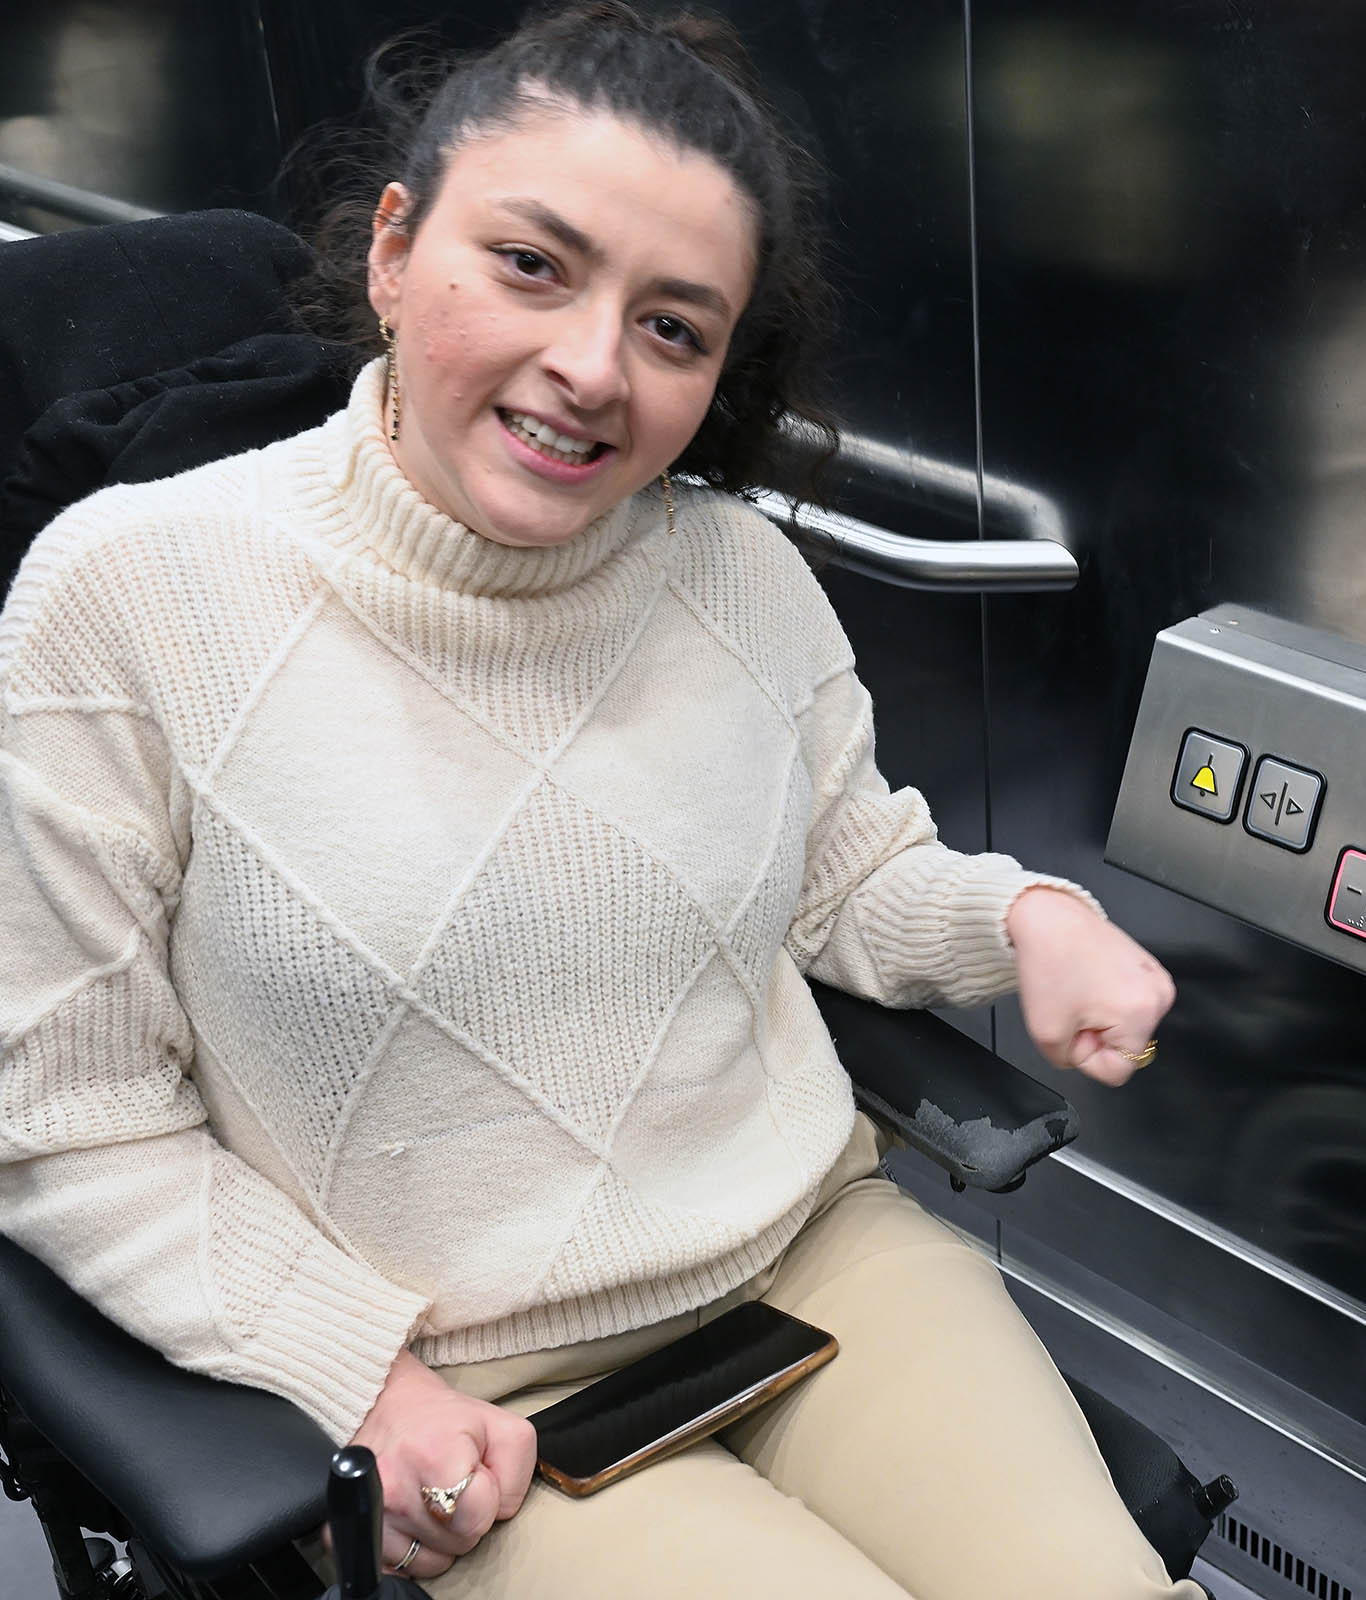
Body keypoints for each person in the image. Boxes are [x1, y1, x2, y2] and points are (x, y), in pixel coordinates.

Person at [0, 6, 1201, 1596]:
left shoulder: (737, 572)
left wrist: (1029, 918)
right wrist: (363, 1381)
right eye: (532, 266)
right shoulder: (129, 597)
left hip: (811, 1264)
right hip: (472, 1388)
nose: (591, 366)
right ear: (394, 251)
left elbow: (845, 879)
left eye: (674, 328)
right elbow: (72, 1127)